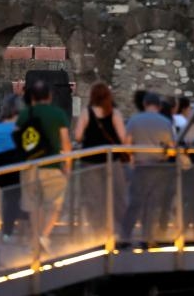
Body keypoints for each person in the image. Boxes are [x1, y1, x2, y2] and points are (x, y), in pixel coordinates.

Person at [17, 79, 72, 252]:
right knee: (55, 205)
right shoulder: (58, 114)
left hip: (30, 167)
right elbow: (66, 143)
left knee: (34, 206)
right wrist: (67, 166)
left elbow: (20, 139)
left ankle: (36, 238)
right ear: (49, 96)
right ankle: (43, 235)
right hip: (52, 166)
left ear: (32, 96)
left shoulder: (25, 114)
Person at [121, 91, 175, 247]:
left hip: (140, 166)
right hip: (158, 167)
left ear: (145, 105)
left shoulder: (134, 120)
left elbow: (126, 144)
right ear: (158, 106)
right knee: (153, 204)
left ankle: (124, 237)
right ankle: (148, 238)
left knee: (135, 202)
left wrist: (132, 158)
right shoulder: (165, 122)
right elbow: (172, 147)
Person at [74, 82, 129, 237]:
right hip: (112, 160)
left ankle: (98, 232)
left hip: (90, 161)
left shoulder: (86, 113)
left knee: (94, 198)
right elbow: (123, 138)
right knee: (117, 195)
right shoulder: (114, 113)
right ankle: (120, 230)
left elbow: (78, 136)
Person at [0, 94, 25, 242]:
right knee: (14, 198)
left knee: (8, 197)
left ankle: (8, 229)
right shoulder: (18, 126)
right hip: (13, 162)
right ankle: (10, 229)